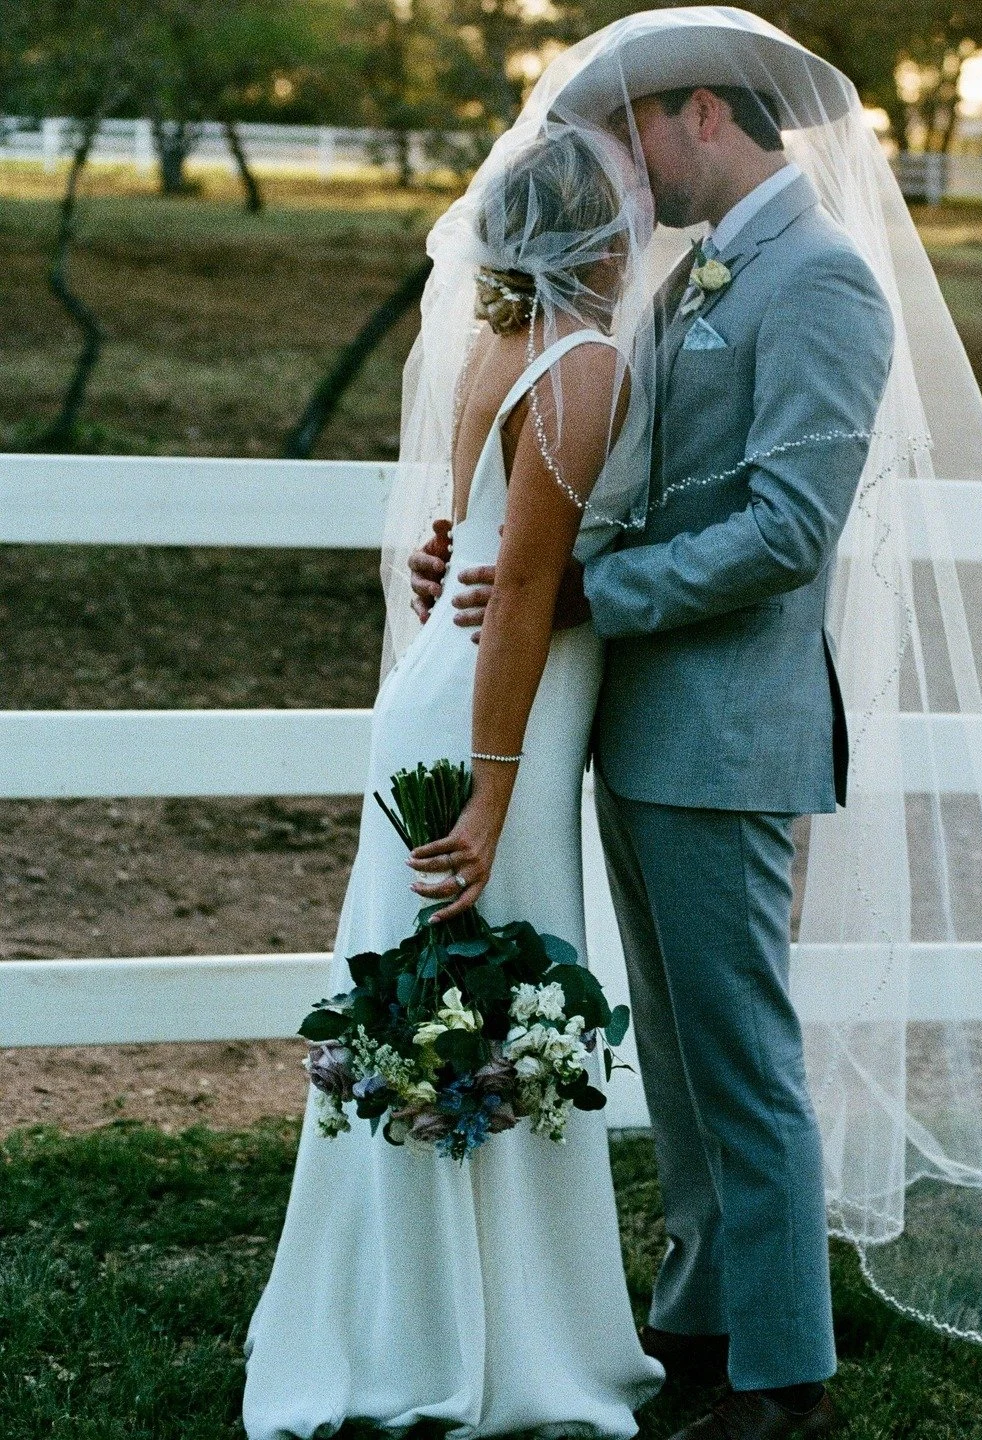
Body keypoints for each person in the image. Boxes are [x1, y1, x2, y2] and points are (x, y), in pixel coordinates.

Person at [420, 9, 982, 1440]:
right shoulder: (699, 274)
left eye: (634, 132)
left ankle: (783, 1378)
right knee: (684, 1065)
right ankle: (700, 1320)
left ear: (704, 114)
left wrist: (582, 591)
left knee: (745, 1063)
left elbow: (782, 532)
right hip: (643, 728)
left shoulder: (821, 283)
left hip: (726, 731)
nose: (622, 168)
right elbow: (627, 475)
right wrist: (501, 546)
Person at [242, 123, 665, 1440]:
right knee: (485, 987)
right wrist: (490, 791)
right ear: (599, 235)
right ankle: (490, 1341)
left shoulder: (492, 347)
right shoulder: (584, 362)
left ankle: (412, 1316)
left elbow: (466, 540)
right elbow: (527, 580)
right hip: (497, 724)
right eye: (631, 213)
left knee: (439, 992)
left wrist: (454, 571)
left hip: (440, 685)